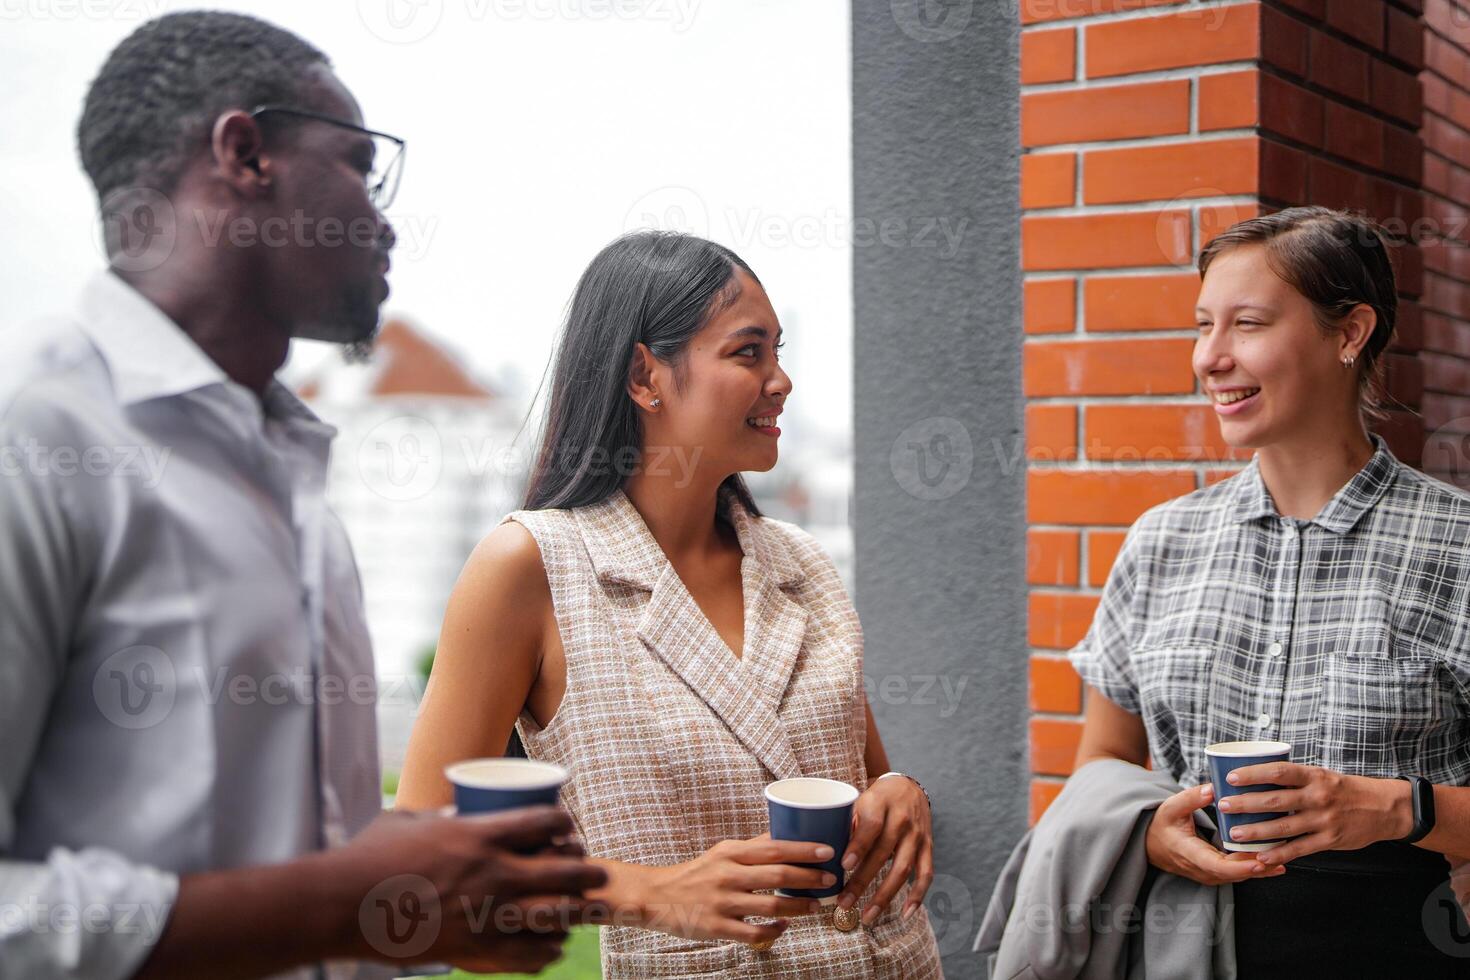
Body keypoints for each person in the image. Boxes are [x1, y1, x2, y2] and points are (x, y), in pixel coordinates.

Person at [0, 12, 605, 978]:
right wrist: (350, 902)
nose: (384, 218)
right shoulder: (33, 437)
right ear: (245, 153)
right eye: (360, 167)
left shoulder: (298, 492)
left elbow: (327, 906)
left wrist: (448, 902)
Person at [395, 231, 945, 978]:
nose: (781, 381)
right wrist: (649, 892)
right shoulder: (533, 566)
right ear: (643, 374)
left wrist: (901, 793)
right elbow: (423, 858)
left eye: (779, 353)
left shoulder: (802, 564)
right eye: (749, 353)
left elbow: (861, 779)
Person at [1070, 206, 1470, 975]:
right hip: (1181, 950)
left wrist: (1394, 808)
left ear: (1349, 333)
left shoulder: (1455, 543)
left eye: (1246, 324)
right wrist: (1148, 829)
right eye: (1203, 326)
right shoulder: (1162, 540)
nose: (1210, 358)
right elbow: (1103, 760)